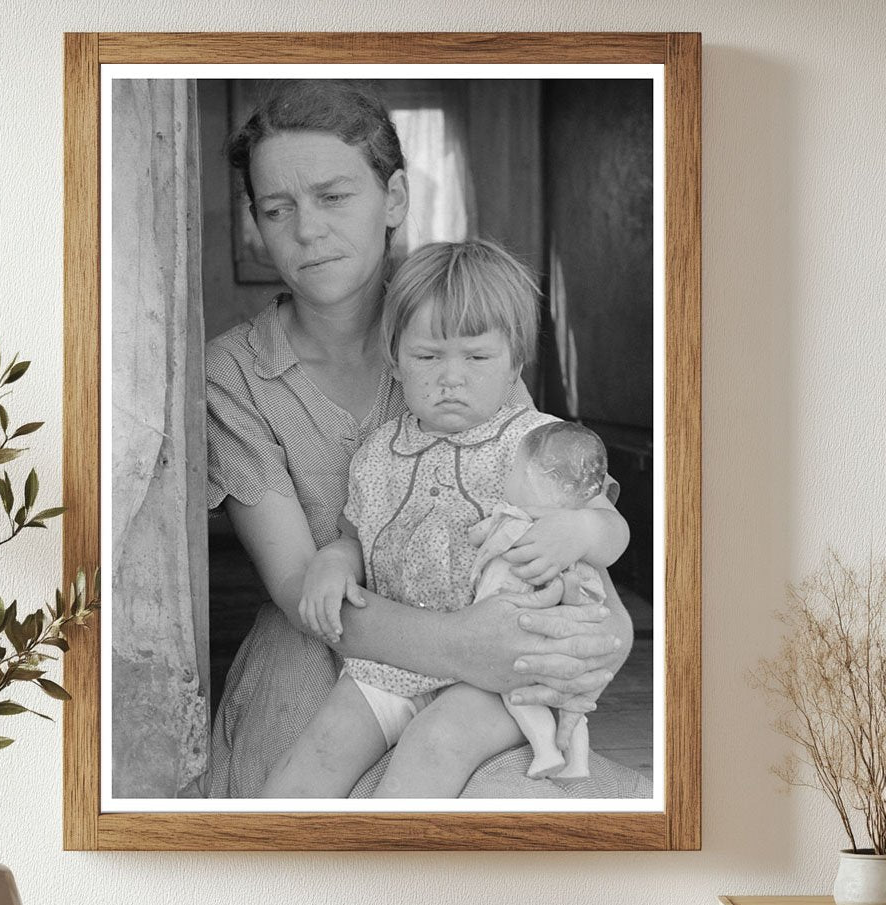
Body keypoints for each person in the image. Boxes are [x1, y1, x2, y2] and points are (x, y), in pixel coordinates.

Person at [206, 80, 632, 799]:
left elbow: (544, 506)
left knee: (507, 797)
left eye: (334, 196)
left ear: (394, 200)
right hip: (329, 652)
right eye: (278, 209)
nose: (308, 230)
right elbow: (301, 588)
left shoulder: (459, 333)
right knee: (303, 795)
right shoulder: (232, 374)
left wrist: (603, 632)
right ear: (257, 223)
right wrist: (469, 646)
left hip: (490, 644)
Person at [261, 240, 628, 798]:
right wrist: (332, 565)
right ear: (396, 359)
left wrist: (579, 530)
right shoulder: (378, 452)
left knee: (435, 743)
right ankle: (274, 865)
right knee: (322, 744)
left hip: (504, 673)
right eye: (427, 357)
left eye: (477, 358)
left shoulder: (538, 441)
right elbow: (353, 539)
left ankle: (394, 871)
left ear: (515, 365)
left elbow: (612, 529)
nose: (450, 377)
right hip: (399, 659)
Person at [471, 419, 611, 781]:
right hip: (561, 638)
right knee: (568, 702)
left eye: (516, 469)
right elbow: (587, 593)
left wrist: (476, 532)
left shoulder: (510, 517)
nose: (510, 475)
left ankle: (546, 750)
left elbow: (480, 536)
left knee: (517, 693)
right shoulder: (573, 539)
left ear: (537, 478)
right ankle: (577, 762)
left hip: (516, 629)